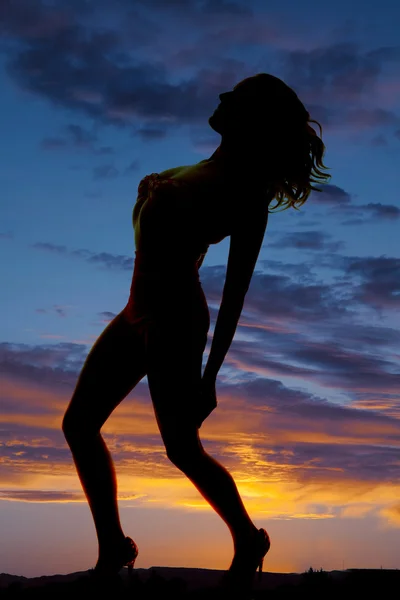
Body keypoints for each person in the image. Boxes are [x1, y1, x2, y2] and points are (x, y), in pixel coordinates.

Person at [62, 73, 330, 594]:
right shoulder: (192, 170)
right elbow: (153, 235)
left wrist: (210, 376)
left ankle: (248, 539)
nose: (222, 98)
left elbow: (236, 293)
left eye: (236, 97)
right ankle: (113, 544)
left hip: (176, 319)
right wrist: (147, 196)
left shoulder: (247, 195)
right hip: (134, 310)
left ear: (250, 118)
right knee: (78, 424)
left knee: (181, 447)